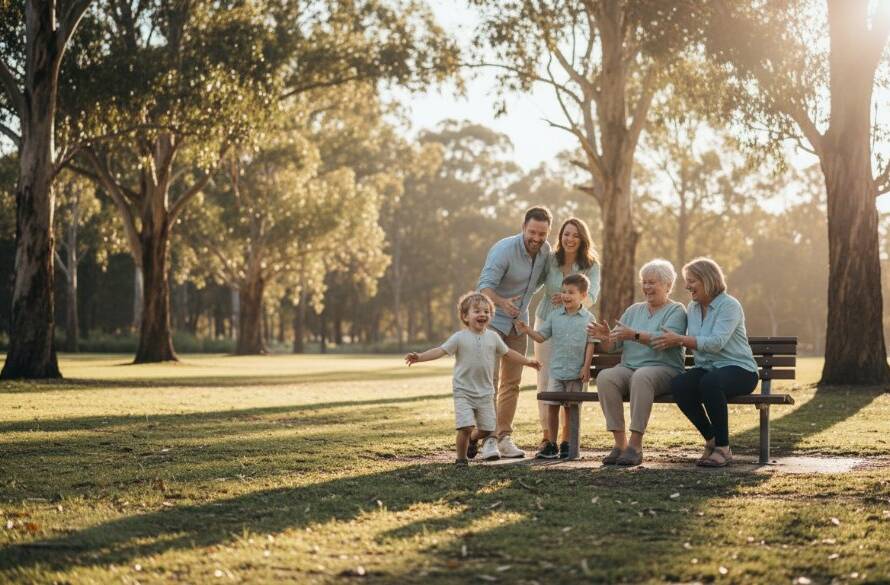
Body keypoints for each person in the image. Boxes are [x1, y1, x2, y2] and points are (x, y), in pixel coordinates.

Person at [405, 292, 541, 465]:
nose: (482, 314)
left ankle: (473, 440)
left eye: (486, 311)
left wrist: (528, 362)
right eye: (477, 311)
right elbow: (440, 350)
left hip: (485, 393)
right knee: (466, 427)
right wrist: (420, 357)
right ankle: (461, 460)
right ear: (465, 316)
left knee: (486, 429)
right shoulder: (459, 338)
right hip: (464, 391)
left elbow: (509, 353)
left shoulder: (493, 337)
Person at [651, 257, 759, 468]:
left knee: (710, 383)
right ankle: (711, 440)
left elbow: (717, 343)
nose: (686, 286)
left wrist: (680, 339)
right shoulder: (692, 307)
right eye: (686, 280)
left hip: (740, 370)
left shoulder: (729, 306)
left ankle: (723, 448)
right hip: (709, 369)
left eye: (692, 280)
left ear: (708, 280)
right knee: (679, 385)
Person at [587, 259, 687, 466]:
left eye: (653, 282)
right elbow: (613, 347)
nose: (647, 287)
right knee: (606, 377)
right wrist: (606, 337)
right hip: (629, 368)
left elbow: (664, 341)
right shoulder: (633, 310)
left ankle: (635, 445)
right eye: (644, 282)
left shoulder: (677, 311)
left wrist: (634, 335)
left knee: (642, 377)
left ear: (668, 286)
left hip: (664, 370)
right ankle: (620, 444)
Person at [477, 206, 552, 458]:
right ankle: (487, 439)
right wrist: (502, 302)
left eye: (542, 233)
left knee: (512, 383)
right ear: (523, 228)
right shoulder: (504, 250)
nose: (537, 238)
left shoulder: (545, 251)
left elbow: (540, 280)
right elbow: (484, 287)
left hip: (519, 324)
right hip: (493, 322)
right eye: (532, 232)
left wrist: (522, 303)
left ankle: (504, 438)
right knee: (490, 382)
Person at [533, 217, 600, 459]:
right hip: (547, 322)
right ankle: (547, 439)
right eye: (565, 234)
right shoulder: (551, 259)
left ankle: (566, 439)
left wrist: (570, 301)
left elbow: (591, 295)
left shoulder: (592, 265)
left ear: (582, 239)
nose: (569, 239)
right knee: (546, 380)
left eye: (575, 235)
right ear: (560, 237)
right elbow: (534, 283)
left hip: (575, 325)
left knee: (571, 381)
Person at [515, 273, 595, 459]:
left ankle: (568, 442)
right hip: (557, 371)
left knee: (571, 407)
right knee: (552, 406)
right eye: (563, 291)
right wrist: (528, 330)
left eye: (571, 292)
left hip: (576, 373)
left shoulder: (588, 318)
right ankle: (551, 443)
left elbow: (591, 343)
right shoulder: (554, 316)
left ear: (583, 295)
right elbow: (542, 337)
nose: (566, 296)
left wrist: (586, 367)